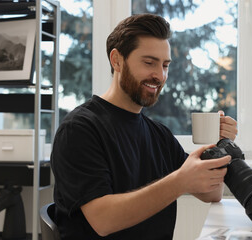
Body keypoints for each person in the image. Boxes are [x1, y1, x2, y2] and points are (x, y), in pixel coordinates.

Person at [51, 13, 237, 240]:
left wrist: (217, 145)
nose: (160, 75)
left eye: (165, 65)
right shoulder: (79, 129)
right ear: (117, 60)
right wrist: (179, 181)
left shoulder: (159, 135)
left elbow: (212, 193)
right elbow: (103, 220)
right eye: (149, 62)